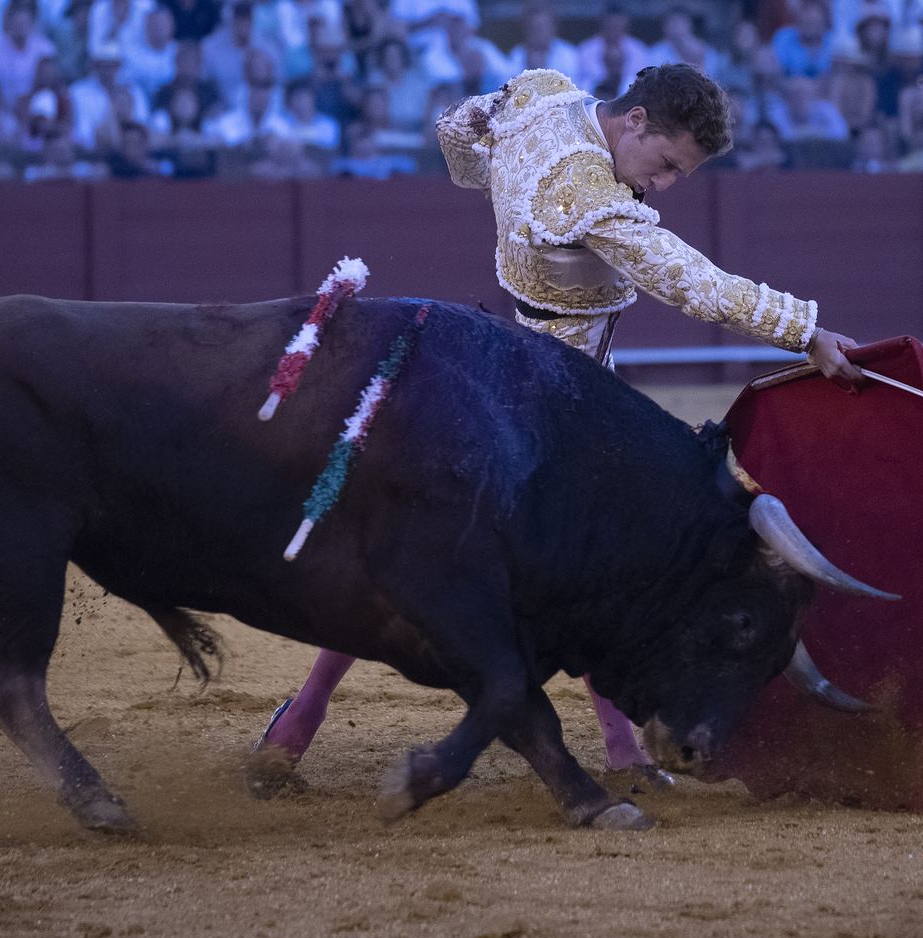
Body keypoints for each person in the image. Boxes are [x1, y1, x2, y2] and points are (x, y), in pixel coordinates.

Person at [251, 64, 866, 797]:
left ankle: (302, 718)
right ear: (635, 120)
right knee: (583, 559)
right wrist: (805, 330)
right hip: (551, 405)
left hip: (502, 357)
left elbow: (454, 126)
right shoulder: (582, 190)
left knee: (411, 549)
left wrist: (494, 178)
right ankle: (619, 746)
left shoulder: (546, 89)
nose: (665, 186)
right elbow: (688, 280)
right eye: (667, 164)